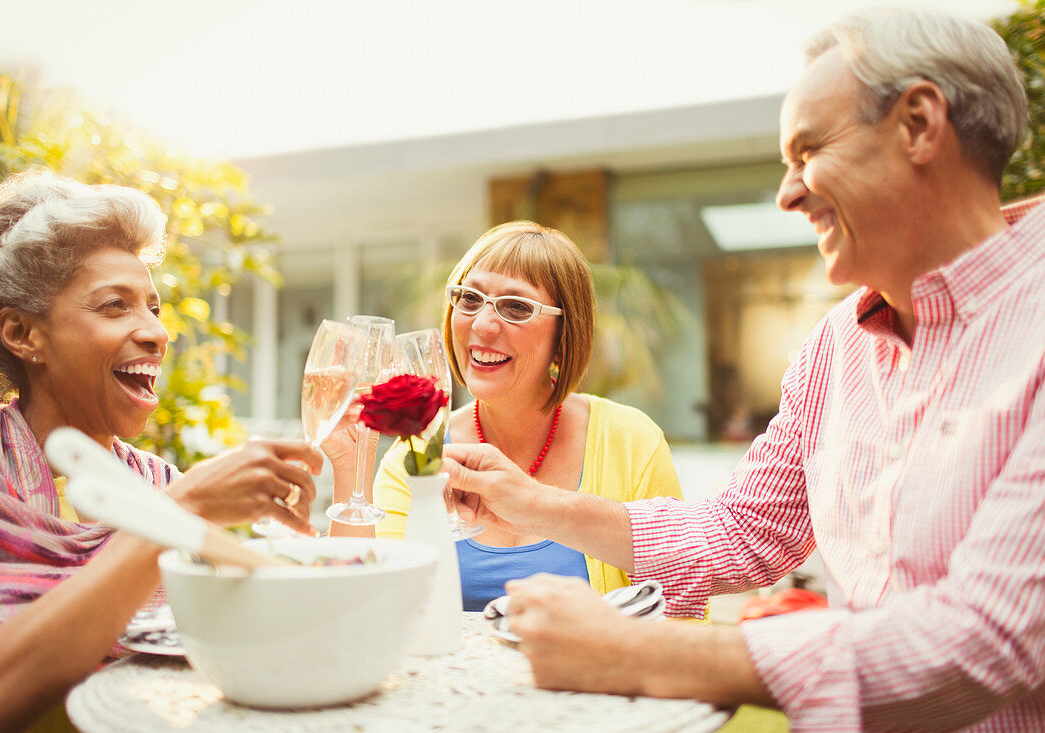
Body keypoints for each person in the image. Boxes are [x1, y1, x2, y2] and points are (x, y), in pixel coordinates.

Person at [443, 8, 1045, 730]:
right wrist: (534, 503)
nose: (789, 192)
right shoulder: (836, 346)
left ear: (919, 124)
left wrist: (636, 652)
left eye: (808, 151)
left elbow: (987, 635)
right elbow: (746, 532)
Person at [0, 171, 325, 731]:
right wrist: (179, 512)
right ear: (24, 335)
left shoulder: (155, 480)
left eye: (154, 307)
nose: (155, 333)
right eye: (113, 307)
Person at [369, 221, 686, 611]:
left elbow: (679, 610)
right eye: (469, 299)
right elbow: (379, 605)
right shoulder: (415, 455)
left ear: (564, 333)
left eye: (516, 307)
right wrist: (350, 463)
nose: (482, 325)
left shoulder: (632, 441)